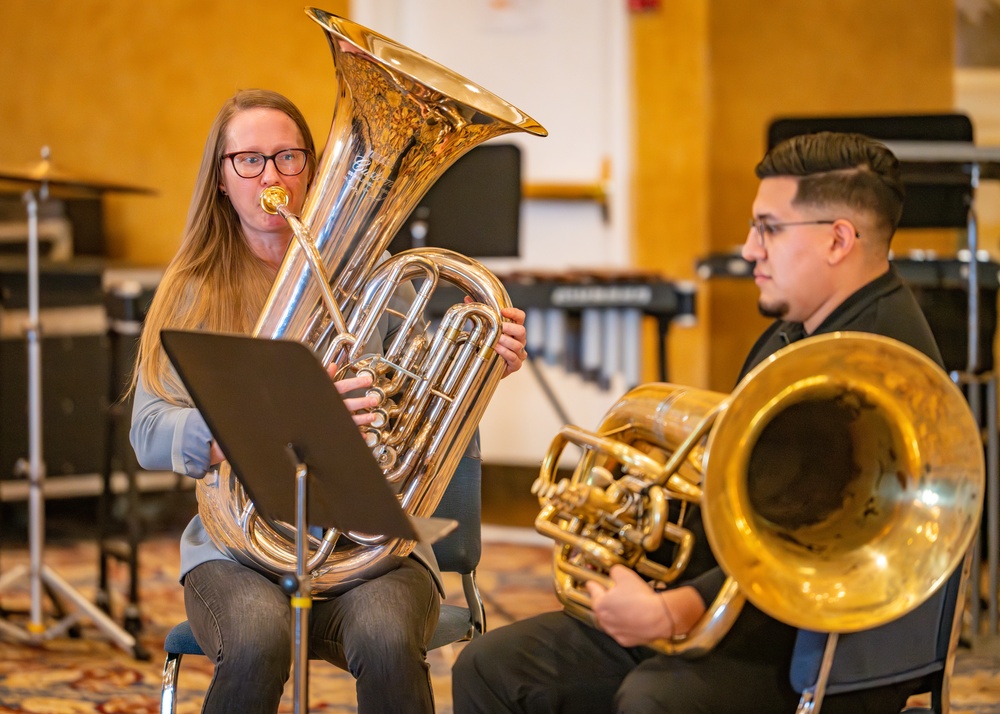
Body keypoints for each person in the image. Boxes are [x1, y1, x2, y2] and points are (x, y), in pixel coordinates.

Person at [452, 132, 952, 714]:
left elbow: (803, 549)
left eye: (768, 227)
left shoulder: (879, 368)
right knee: (490, 666)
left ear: (839, 239)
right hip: (738, 615)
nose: (748, 249)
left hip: (814, 650)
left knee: (653, 702)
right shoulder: (799, 330)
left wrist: (672, 610)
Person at [129, 88, 528, 714]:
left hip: (372, 543)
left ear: (312, 171)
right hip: (238, 546)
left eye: (289, 157)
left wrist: (485, 367)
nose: (272, 176)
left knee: (389, 636)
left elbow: (424, 412)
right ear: (222, 180)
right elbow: (149, 431)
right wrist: (266, 418)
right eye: (250, 160)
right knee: (258, 641)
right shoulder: (191, 290)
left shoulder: (374, 274)